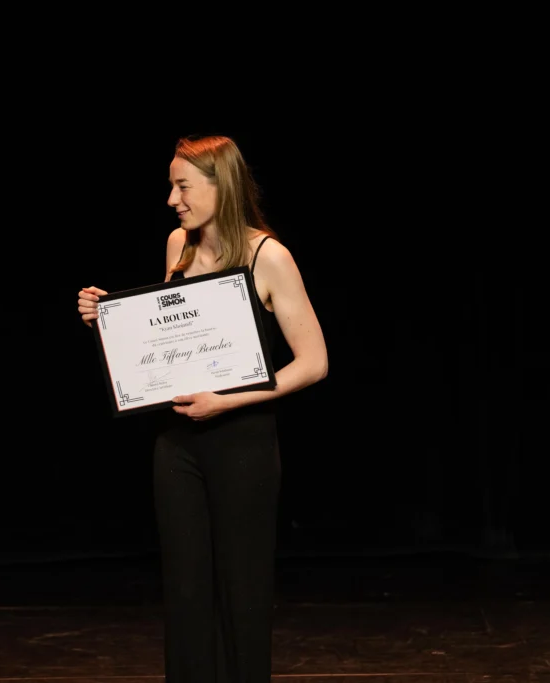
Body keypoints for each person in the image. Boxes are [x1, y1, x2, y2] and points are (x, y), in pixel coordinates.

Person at [77, 135, 328, 682]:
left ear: (223, 186)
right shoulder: (178, 246)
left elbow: (313, 361)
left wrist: (227, 400)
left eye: (183, 186)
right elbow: (169, 342)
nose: (173, 198)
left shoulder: (269, 256)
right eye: (172, 186)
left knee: (243, 587)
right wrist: (109, 319)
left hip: (243, 443)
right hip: (178, 445)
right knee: (187, 588)